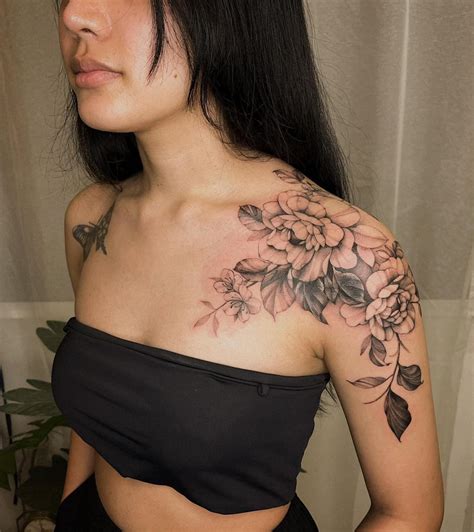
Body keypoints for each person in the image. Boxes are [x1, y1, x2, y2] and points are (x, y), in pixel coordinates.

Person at [51, 0, 444, 530]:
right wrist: (69, 508)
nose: (74, 14)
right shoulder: (92, 220)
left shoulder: (353, 260)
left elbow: (409, 514)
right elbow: (98, 421)